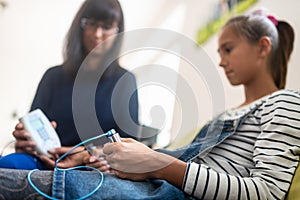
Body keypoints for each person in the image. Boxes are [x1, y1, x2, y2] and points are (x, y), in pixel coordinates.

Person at [0, 12, 299, 200]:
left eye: (228, 50)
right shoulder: (225, 117)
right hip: (154, 184)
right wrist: (94, 156)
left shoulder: (285, 103)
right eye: (220, 51)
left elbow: (268, 192)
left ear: (262, 47)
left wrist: (158, 164)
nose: (220, 61)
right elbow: (185, 167)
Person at [0, 0, 139, 171]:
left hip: (94, 170)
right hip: (45, 163)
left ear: (118, 31)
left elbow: (130, 149)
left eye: (106, 27)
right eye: (91, 24)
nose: (97, 34)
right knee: (7, 165)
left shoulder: (125, 82)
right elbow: (33, 130)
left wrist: (85, 155)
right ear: (80, 26)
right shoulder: (53, 76)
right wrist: (26, 140)